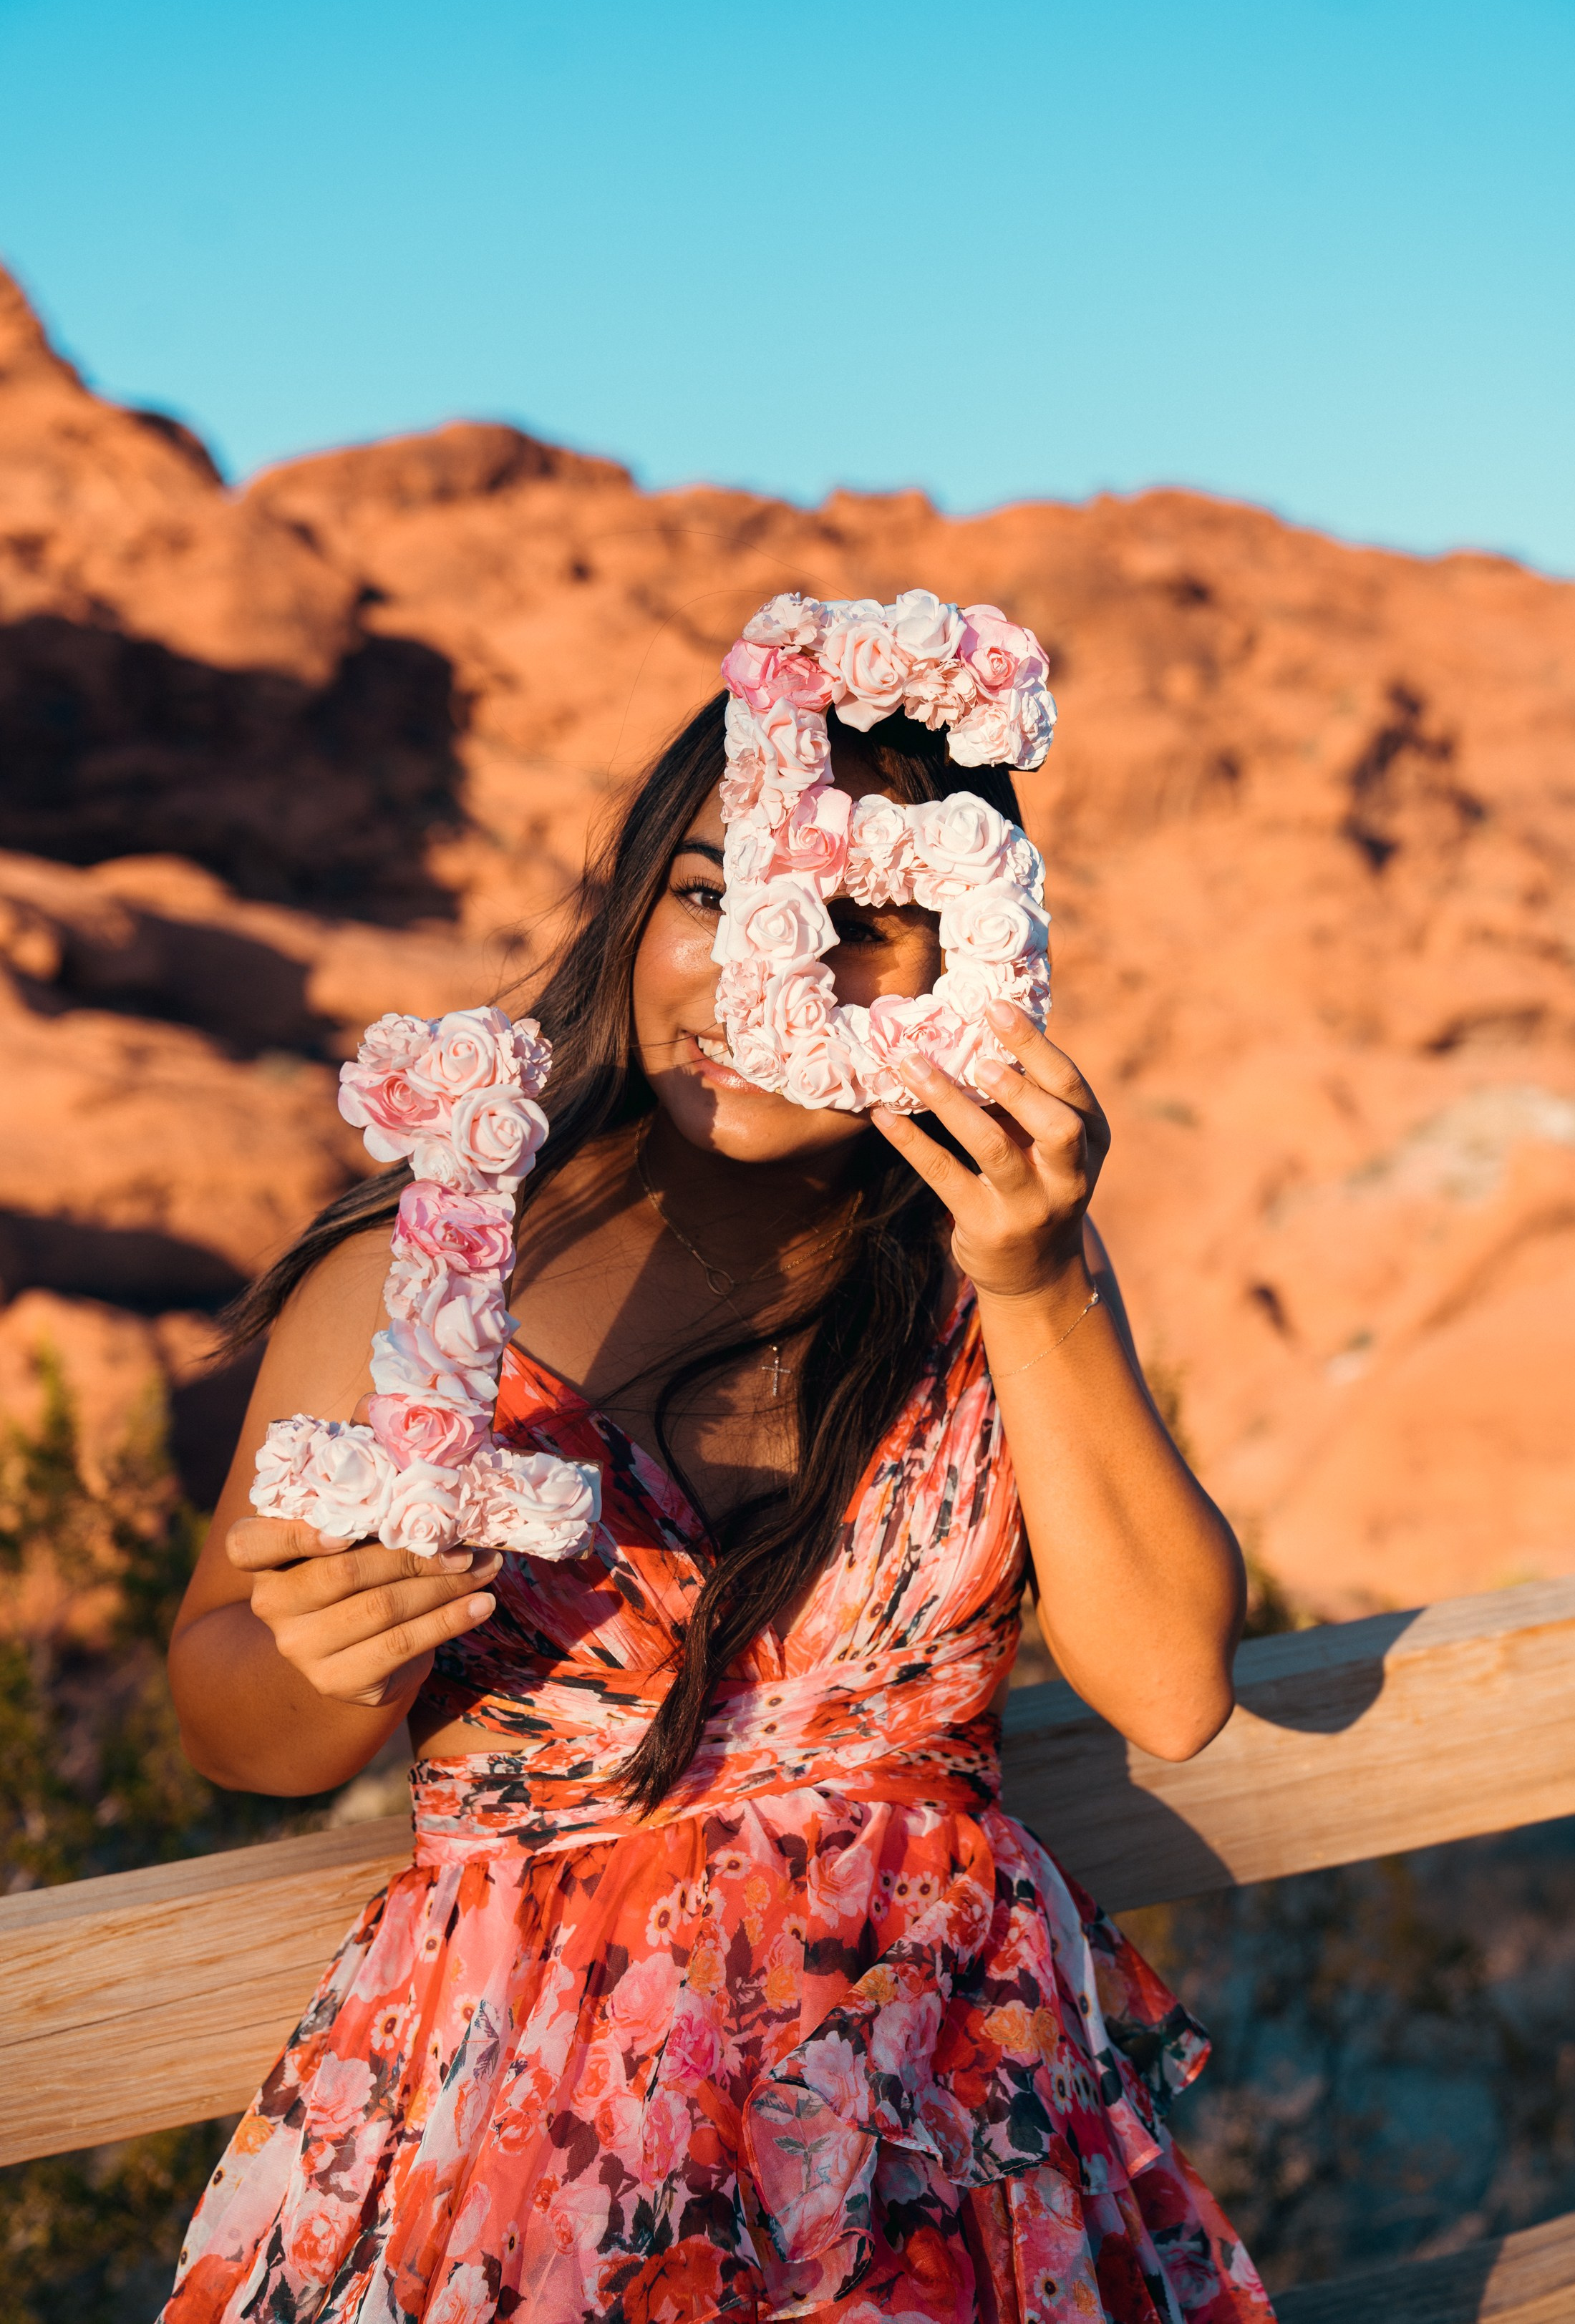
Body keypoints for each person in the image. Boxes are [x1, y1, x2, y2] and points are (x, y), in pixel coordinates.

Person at [161, 685, 1274, 2324]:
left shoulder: (998, 1268)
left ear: (965, 955)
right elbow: (235, 1715)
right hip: (537, 2155)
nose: (762, 969)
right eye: (705, 894)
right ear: (632, 907)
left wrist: (1032, 1285)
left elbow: (1170, 1688)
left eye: (853, 923)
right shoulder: (422, 1276)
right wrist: (332, 1649)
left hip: (935, 2143)